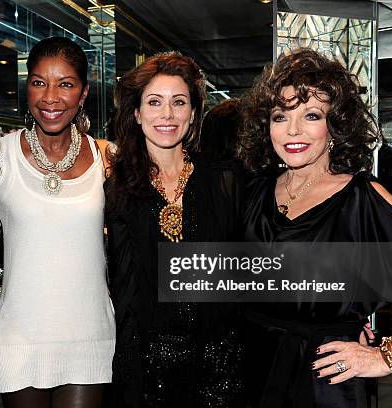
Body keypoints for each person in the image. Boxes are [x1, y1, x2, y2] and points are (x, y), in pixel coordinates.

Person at [238, 48, 392, 408]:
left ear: (335, 125)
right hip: (249, 371)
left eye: (311, 115)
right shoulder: (253, 189)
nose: (293, 130)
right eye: (280, 116)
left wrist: (391, 356)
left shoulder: (364, 199)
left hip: (325, 383)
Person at [0, 36, 115, 408]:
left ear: (83, 93)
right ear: (27, 88)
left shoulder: (108, 158)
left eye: (65, 84)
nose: (50, 97)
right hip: (20, 335)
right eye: (38, 82)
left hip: (89, 335)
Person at [105, 52, 246, 408]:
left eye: (178, 102)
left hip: (219, 365)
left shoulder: (226, 179)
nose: (167, 115)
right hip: (144, 366)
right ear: (137, 113)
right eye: (154, 102)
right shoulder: (115, 187)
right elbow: (118, 281)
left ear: (193, 113)